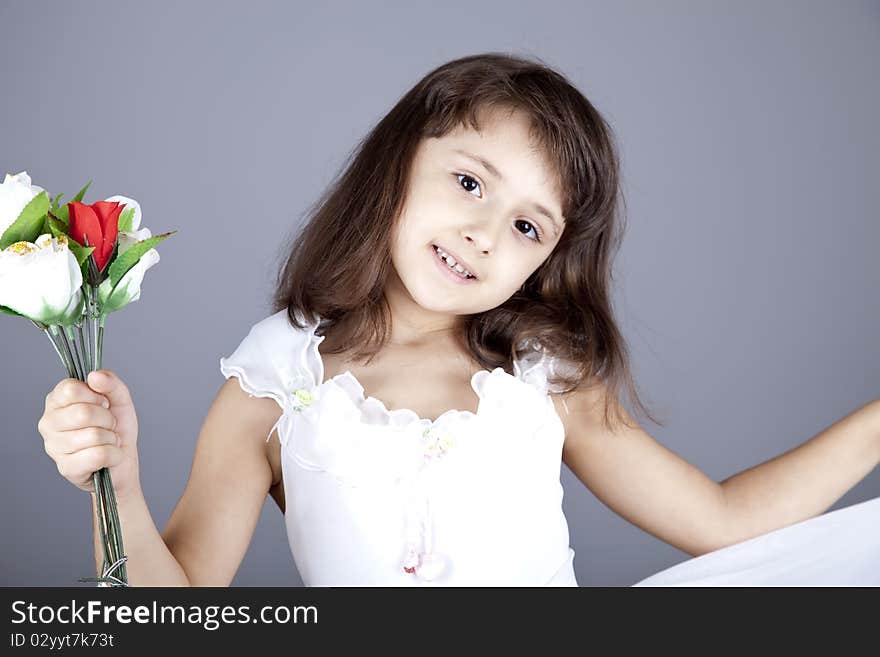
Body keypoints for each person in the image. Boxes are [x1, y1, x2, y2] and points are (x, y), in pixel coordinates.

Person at [36, 53, 880, 587]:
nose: (482, 233)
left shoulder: (541, 375)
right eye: (470, 182)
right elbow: (171, 608)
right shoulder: (274, 384)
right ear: (400, 162)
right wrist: (121, 488)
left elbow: (724, 520)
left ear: (543, 262)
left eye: (526, 226)